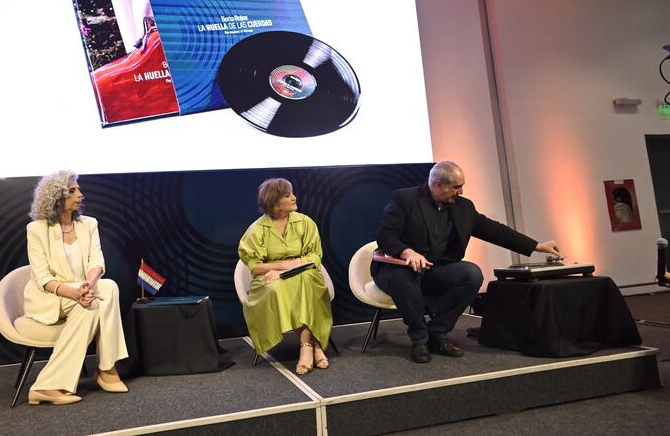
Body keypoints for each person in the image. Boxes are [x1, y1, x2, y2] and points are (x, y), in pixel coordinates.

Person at [374, 161, 562, 364]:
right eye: (456, 187)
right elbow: (385, 236)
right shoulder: (404, 199)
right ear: (438, 184)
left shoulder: (463, 207)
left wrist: (536, 246)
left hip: (436, 269)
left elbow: (494, 230)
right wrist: (407, 252)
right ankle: (420, 339)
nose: (461, 191)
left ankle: (438, 332)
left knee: (471, 274)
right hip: (397, 269)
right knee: (405, 279)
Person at [23, 171, 129, 405]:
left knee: (107, 288)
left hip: (83, 293)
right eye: (72, 191)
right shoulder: (37, 229)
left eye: (78, 189)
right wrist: (74, 292)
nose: (80, 194)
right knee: (97, 298)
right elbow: (42, 277)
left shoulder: (88, 224)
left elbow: (97, 262)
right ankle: (106, 370)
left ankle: (47, 385)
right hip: (50, 297)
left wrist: (86, 287)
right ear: (56, 197)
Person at [238, 178, 333, 375]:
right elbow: (254, 267)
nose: (294, 198)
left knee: (306, 283)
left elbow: (315, 256)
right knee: (276, 288)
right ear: (274, 202)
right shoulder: (257, 229)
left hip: (304, 273)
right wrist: (282, 266)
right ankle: (314, 346)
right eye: (288, 195)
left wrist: (286, 269)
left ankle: (306, 347)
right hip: (268, 278)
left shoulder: (305, 223)